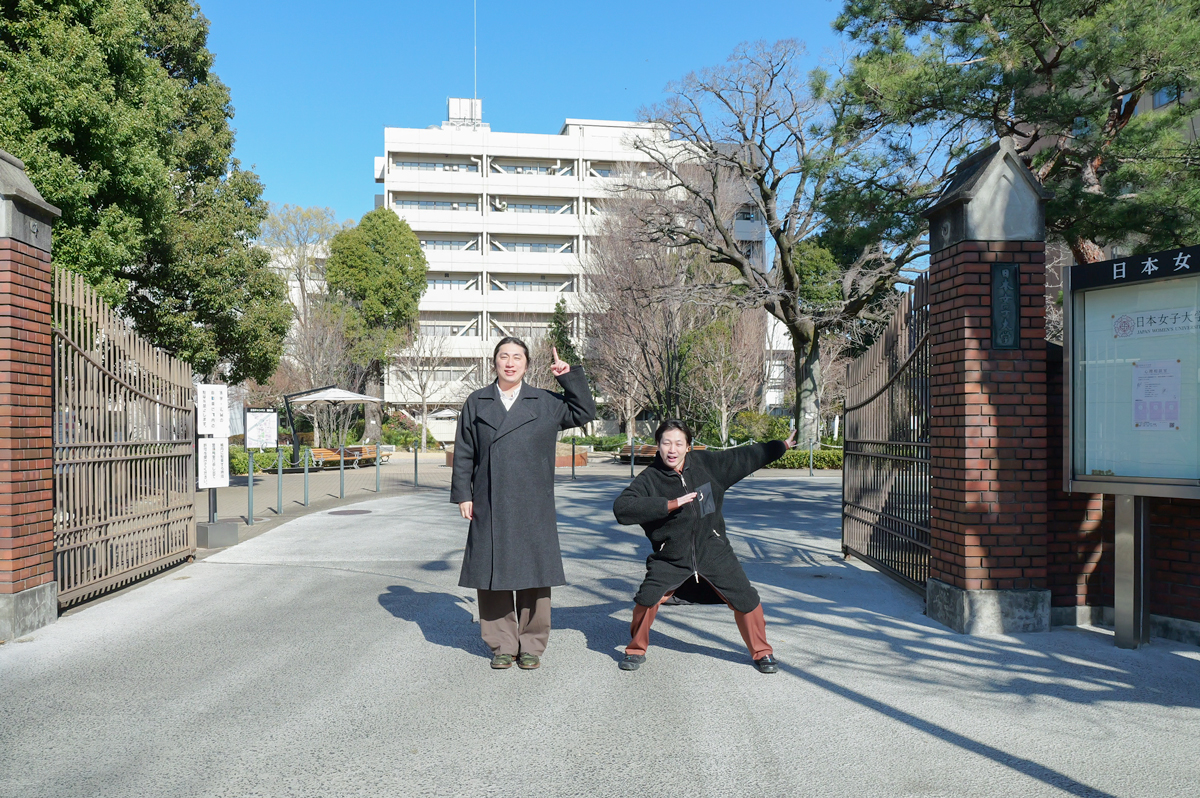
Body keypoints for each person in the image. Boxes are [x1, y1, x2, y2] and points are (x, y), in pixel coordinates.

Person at [451, 337, 596, 670]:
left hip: (533, 502)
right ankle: (502, 644)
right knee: (491, 573)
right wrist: (463, 494)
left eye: (517, 357)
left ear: (527, 364)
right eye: (504, 356)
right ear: (495, 362)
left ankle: (531, 645)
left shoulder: (544, 401)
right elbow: (464, 451)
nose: (510, 363)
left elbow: (584, 411)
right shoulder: (477, 401)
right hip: (489, 499)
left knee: (534, 574)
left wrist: (568, 377)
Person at [612, 419, 796, 673]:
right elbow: (622, 508)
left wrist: (781, 446)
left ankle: (762, 652)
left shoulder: (707, 466)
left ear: (688, 446)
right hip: (671, 556)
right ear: (658, 445)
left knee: (747, 599)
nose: (672, 449)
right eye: (666, 443)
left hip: (713, 550)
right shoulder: (649, 479)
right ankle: (635, 650)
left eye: (679, 443)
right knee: (647, 599)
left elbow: (746, 456)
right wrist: (670, 504)